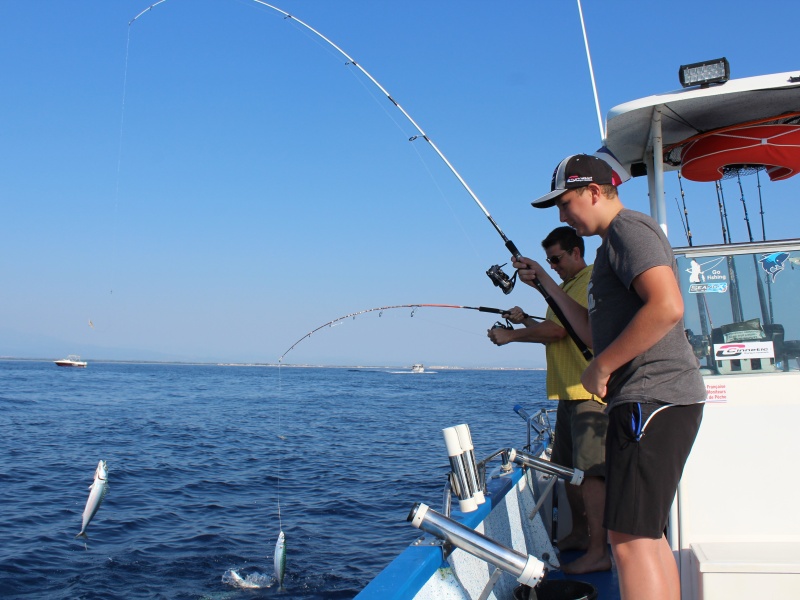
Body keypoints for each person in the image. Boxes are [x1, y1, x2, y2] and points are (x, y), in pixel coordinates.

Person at [516, 154, 704, 600]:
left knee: (629, 538)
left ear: (594, 192)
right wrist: (544, 278)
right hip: (647, 401)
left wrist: (602, 366)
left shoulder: (627, 230)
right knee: (644, 535)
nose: (563, 216)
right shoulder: (608, 250)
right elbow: (589, 330)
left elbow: (667, 306)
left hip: (653, 397)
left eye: (565, 204)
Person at [487, 226, 610, 574]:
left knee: (591, 475)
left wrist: (511, 337)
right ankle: (580, 536)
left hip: (588, 395)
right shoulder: (564, 289)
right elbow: (558, 334)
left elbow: (557, 332)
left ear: (575, 252)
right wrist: (524, 319)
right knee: (569, 473)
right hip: (567, 395)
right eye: (548, 261)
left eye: (556, 259)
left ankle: (599, 550)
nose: (552, 266)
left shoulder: (587, 282)